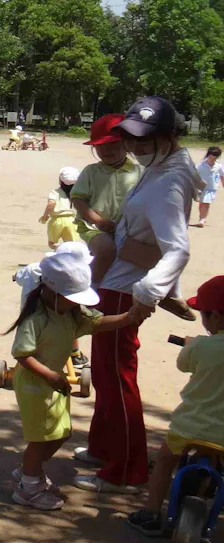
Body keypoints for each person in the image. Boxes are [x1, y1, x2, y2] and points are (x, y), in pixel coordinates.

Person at [78, 97, 199, 493]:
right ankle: (102, 447)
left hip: (126, 289)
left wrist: (150, 294)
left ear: (170, 134)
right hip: (117, 280)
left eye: (145, 138)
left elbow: (177, 247)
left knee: (117, 379)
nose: (135, 146)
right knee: (106, 376)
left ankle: (126, 470)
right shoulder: (160, 167)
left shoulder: (169, 180)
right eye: (129, 138)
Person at [5, 250, 138, 510]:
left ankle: (27, 473)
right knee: (42, 438)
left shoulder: (69, 313)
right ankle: (28, 488)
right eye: (72, 298)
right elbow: (21, 354)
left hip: (53, 384)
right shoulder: (37, 318)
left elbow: (98, 323)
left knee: (60, 434)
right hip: (36, 385)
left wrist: (127, 318)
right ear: (53, 293)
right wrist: (50, 375)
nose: (77, 304)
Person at [127, 276, 224, 536]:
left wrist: (192, 345)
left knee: (165, 460)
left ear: (215, 316)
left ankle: (150, 513)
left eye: (203, 314)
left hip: (189, 427)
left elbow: (184, 365)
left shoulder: (203, 346)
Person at [72, 114, 142, 283]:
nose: (106, 150)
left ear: (128, 144)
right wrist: (98, 220)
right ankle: (87, 288)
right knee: (106, 251)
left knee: (138, 256)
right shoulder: (91, 171)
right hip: (93, 226)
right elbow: (78, 199)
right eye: (100, 146)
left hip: (128, 228)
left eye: (113, 144)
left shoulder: (140, 172)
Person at [13, 241, 93, 368]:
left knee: (28, 343)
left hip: (28, 313)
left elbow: (16, 276)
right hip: (53, 318)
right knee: (69, 325)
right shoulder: (72, 281)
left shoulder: (33, 268)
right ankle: (75, 355)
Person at [40, 167, 81, 249]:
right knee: (73, 245)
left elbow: (51, 204)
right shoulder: (77, 193)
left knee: (52, 243)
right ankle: (67, 253)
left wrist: (45, 216)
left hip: (57, 220)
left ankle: (61, 248)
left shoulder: (55, 192)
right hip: (72, 220)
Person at [194, 146, 222, 227]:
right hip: (201, 187)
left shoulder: (219, 165)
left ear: (217, 156)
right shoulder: (201, 164)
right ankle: (201, 217)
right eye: (210, 154)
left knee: (206, 203)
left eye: (214, 155)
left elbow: (222, 176)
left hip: (211, 187)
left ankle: (202, 219)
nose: (211, 157)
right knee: (201, 203)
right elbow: (194, 174)